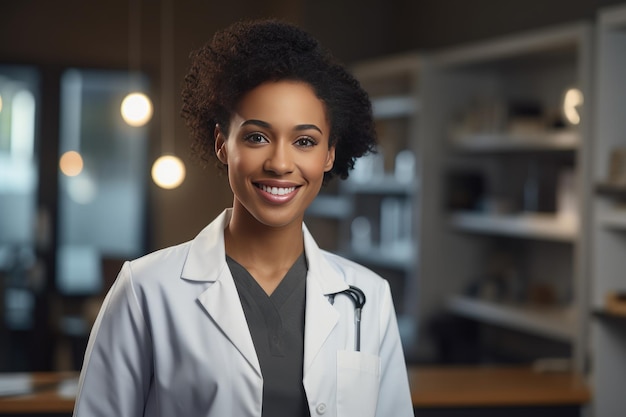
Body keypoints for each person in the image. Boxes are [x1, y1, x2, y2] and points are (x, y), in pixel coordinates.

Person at [73, 19, 413, 417]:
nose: (281, 163)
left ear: (329, 154)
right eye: (257, 137)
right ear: (222, 144)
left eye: (305, 141)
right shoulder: (145, 290)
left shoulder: (368, 297)